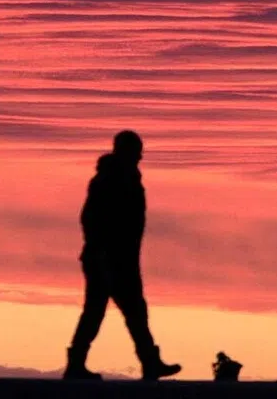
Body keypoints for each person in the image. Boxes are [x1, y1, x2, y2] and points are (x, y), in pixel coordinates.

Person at [64, 130, 181, 381]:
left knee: (135, 312)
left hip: (123, 259)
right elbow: (90, 219)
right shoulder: (109, 180)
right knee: (97, 311)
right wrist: (102, 252)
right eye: (137, 150)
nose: (140, 156)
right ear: (125, 151)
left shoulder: (127, 178)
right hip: (105, 259)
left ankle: (150, 363)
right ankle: (76, 365)